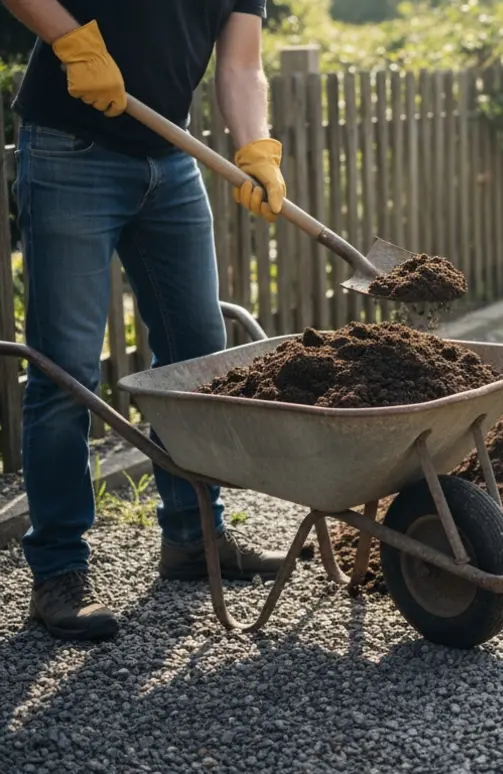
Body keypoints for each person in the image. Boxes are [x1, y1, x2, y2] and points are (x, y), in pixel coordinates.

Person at [2, 0, 291, 642]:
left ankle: (194, 537)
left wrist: (255, 147)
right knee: (66, 370)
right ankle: (58, 571)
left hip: (171, 158)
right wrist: (70, 41)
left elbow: (240, 63)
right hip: (70, 151)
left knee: (196, 356)